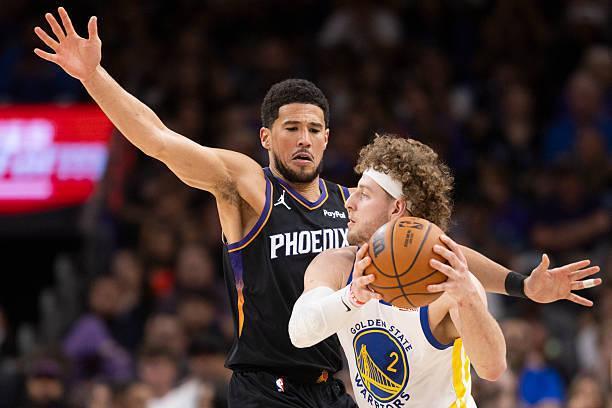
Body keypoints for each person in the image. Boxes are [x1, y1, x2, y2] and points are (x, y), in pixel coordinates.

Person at [33, 8, 601, 407]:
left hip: (337, 384)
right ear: (266, 137)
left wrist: (521, 286)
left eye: (313, 129)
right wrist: (94, 77)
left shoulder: (352, 206)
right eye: (291, 129)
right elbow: (159, 140)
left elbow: (438, 250)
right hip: (265, 383)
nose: (303, 139)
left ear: (327, 139)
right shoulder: (247, 186)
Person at [288, 135, 508, 407]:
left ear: (396, 208)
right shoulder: (337, 266)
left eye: (364, 194)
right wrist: (351, 297)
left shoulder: (447, 282)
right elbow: (299, 333)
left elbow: (492, 369)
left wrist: (469, 299)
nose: (349, 202)